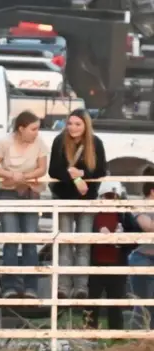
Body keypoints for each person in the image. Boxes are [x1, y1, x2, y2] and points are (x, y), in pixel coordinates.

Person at [49, 109, 108, 301]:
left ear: (85, 126)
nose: (72, 128)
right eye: (70, 123)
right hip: (64, 197)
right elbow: (53, 170)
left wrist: (82, 174)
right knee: (64, 243)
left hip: (87, 199)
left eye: (77, 124)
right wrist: (74, 178)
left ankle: (81, 287)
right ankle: (63, 287)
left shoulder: (95, 142)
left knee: (83, 244)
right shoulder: (59, 141)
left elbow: (101, 169)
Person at [0, 110, 49, 298]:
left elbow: (42, 168)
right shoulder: (4, 142)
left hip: (31, 190)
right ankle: (10, 286)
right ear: (21, 128)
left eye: (37, 129)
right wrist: (10, 175)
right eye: (33, 129)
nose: (36, 132)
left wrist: (24, 177)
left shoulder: (39, 143)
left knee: (30, 239)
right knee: (11, 238)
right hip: (7, 191)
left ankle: (31, 287)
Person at [92, 182, 140, 330]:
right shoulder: (92, 213)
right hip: (94, 265)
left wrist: (122, 239)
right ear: (101, 197)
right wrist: (97, 234)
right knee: (91, 303)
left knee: (116, 304)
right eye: (108, 196)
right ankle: (88, 334)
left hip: (117, 265)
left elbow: (137, 236)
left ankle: (116, 336)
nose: (111, 199)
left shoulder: (124, 215)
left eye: (114, 196)